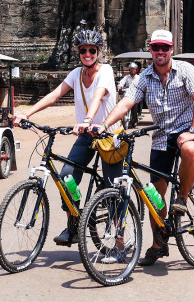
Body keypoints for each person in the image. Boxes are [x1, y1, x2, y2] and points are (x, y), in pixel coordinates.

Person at [95, 29, 194, 267]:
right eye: (156, 48)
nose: (160, 52)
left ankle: (184, 198)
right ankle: (159, 244)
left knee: (188, 149)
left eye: (165, 48)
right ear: (151, 51)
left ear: (172, 50)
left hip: (187, 131)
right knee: (154, 196)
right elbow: (126, 102)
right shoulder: (144, 77)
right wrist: (104, 125)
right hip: (161, 138)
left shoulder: (186, 70)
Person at [12, 27, 121, 247]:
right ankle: (74, 222)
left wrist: (88, 121)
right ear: (78, 53)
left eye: (92, 50)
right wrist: (27, 113)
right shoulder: (75, 74)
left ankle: (119, 240)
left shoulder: (106, 71)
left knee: (112, 189)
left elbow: (99, 97)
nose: (87, 54)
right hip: (86, 136)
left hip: (109, 136)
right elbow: (55, 95)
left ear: (98, 51)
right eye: (83, 50)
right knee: (66, 176)